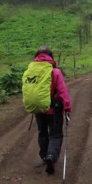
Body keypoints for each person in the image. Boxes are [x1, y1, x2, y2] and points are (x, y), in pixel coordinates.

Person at [27, 45, 72, 175]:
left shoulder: (31, 70)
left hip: (39, 108)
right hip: (54, 109)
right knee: (56, 133)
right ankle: (51, 155)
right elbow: (62, 91)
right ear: (51, 56)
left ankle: (44, 155)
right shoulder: (55, 72)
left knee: (42, 132)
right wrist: (67, 107)